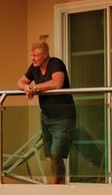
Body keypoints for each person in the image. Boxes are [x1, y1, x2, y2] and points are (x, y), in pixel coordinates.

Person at [18, 35, 76, 184]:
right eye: (31, 55)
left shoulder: (56, 63)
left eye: (36, 55)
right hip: (47, 116)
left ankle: (56, 185)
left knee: (57, 154)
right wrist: (26, 88)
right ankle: (59, 184)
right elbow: (20, 81)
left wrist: (35, 87)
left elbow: (57, 83)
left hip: (63, 116)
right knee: (51, 154)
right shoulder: (34, 68)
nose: (33, 58)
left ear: (45, 54)